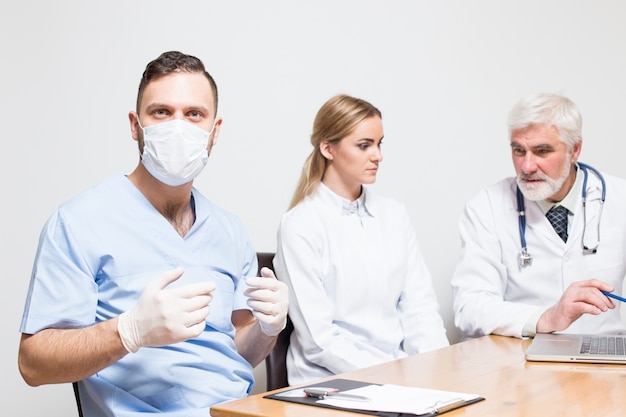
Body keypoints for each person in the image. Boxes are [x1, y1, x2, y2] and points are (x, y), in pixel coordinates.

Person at [18, 51, 288, 416]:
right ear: (135, 125)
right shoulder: (79, 222)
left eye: (194, 114)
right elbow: (33, 364)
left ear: (214, 131)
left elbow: (235, 352)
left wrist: (267, 330)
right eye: (161, 112)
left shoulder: (229, 230)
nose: (178, 127)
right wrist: (130, 331)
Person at [273, 94, 449, 385]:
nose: (378, 155)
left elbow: (420, 308)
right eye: (364, 145)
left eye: (379, 143)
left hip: (398, 378)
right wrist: (396, 377)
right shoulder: (300, 226)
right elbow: (320, 341)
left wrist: (440, 370)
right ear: (328, 149)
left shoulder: (394, 215)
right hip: (330, 383)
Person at [451, 92, 626, 340]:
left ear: (574, 149)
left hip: (603, 357)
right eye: (518, 150)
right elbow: (469, 307)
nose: (527, 166)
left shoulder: (620, 199)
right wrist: (546, 318)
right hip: (521, 359)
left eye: (542, 151)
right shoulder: (486, 206)